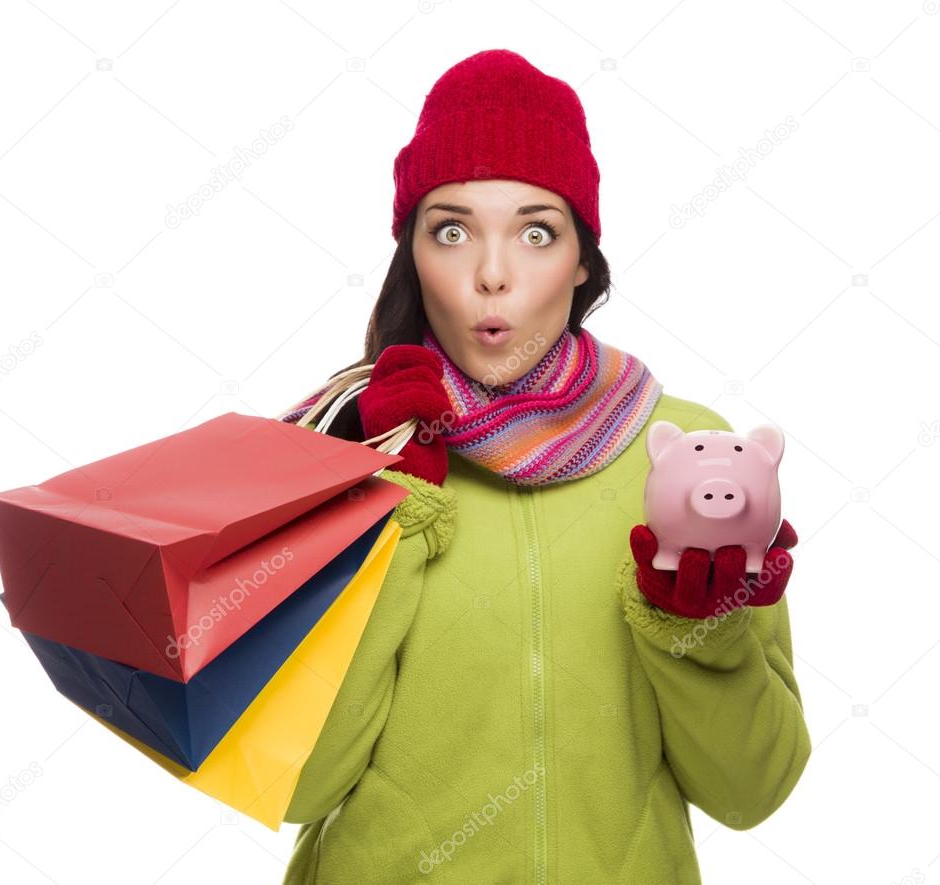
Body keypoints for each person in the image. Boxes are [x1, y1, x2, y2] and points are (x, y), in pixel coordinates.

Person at [275, 48, 810, 884]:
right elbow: (299, 786)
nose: (492, 274)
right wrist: (390, 509)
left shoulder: (692, 457)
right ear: (412, 253)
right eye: (451, 230)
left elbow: (754, 790)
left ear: (584, 259)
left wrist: (697, 630)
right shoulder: (347, 445)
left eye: (535, 232)